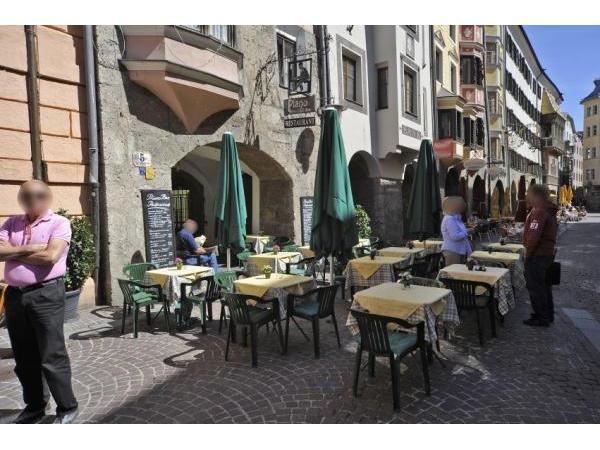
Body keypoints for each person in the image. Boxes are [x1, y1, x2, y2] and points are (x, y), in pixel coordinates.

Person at [0, 180, 79, 424]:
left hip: (46, 294)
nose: (31, 200)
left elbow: (50, 257)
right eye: (25, 195)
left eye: (36, 195)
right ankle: (35, 406)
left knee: (51, 354)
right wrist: (30, 248)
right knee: (24, 357)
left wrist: (14, 251)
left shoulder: (59, 222)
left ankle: (67, 407)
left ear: (47, 197)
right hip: (15, 295)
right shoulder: (11, 222)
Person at [522, 184, 557, 327]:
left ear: (536, 196)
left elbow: (533, 237)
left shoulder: (540, 212)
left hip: (538, 256)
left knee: (536, 287)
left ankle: (541, 317)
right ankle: (548, 314)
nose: (527, 197)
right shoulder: (547, 210)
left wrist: (528, 256)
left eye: (528, 194)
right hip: (545, 254)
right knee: (544, 286)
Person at [440, 196, 472, 265]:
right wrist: (467, 232)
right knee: (453, 271)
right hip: (452, 251)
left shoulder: (456, 218)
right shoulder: (449, 219)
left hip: (458, 250)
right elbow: (455, 236)